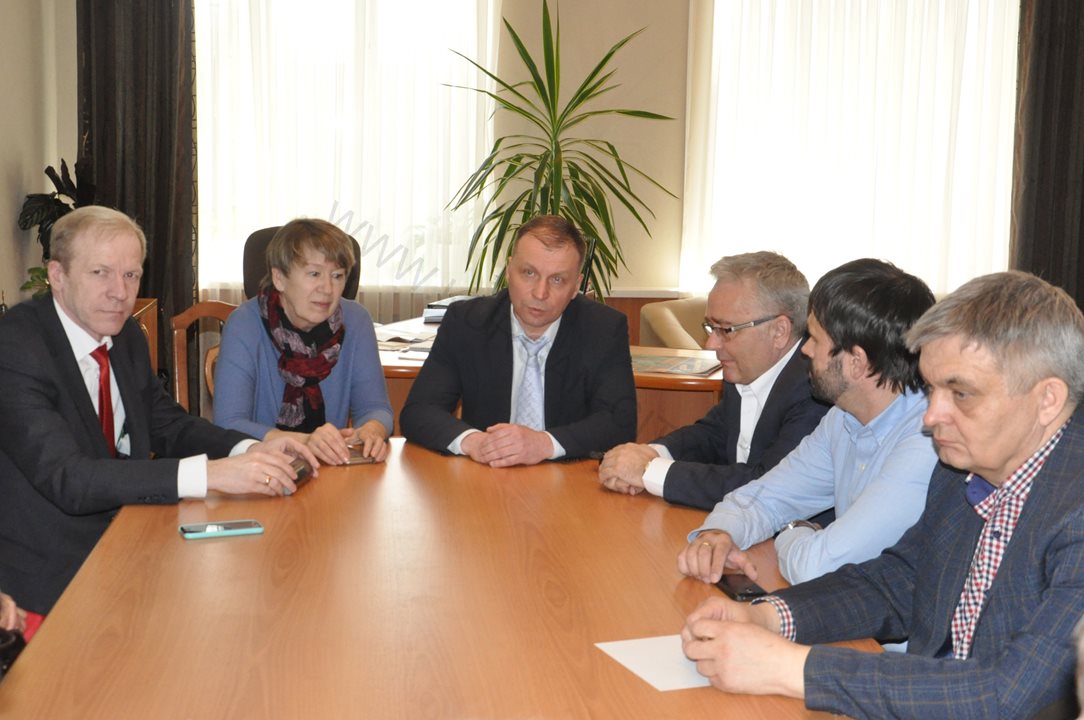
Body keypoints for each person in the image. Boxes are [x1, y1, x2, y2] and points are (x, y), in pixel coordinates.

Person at [681, 271, 1084, 718]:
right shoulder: (965, 469)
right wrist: (768, 616)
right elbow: (900, 582)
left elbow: (1008, 694)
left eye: (961, 393)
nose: (931, 416)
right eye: (931, 389)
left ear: (1048, 399)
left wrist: (791, 668)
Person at [0, 206, 319, 615]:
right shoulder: (16, 347)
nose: (120, 292)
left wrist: (250, 449)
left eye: (131, 274)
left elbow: (167, 423)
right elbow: (70, 478)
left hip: (131, 536)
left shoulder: (125, 334)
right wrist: (212, 474)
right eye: (100, 273)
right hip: (50, 572)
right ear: (57, 276)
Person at [678, 259, 938, 585]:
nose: (806, 351)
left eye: (814, 339)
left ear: (856, 362)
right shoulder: (843, 418)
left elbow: (817, 566)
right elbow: (761, 498)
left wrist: (793, 528)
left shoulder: (927, 441)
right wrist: (717, 534)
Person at [597, 251, 829, 510]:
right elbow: (713, 435)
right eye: (710, 327)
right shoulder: (745, 367)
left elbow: (767, 485)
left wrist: (649, 471)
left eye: (726, 330)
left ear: (779, 331)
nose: (711, 344)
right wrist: (650, 454)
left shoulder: (817, 390)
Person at [400, 215, 636, 466]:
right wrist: (475, 442)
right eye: (529, 273)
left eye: (557, 279)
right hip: (485, 472)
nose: (540, 293)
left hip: (567, 474)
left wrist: (543, 444)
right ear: (509, 270)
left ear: (576, 286)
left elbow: (619, 423)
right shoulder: (467, 323)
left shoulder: (603, 329)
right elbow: (419, 411)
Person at [214, 219, 393, 464]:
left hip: (332, 468)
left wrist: (372, 430)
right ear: (279, 278)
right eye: (314, 274)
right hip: (259, 467)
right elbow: (229, 423)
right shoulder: (244, 324)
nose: (327, 289)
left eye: (337, 275)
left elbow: (376, 408)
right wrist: (304, 441)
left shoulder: (356, 320)